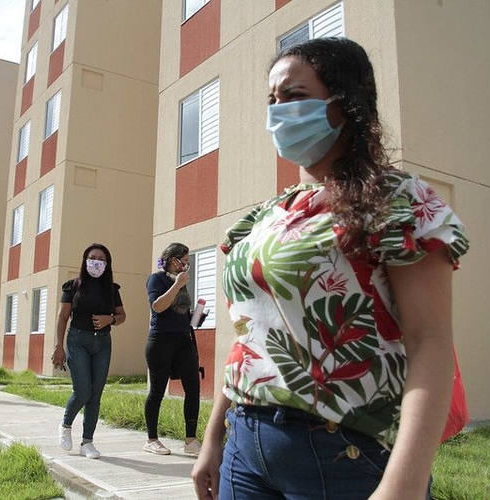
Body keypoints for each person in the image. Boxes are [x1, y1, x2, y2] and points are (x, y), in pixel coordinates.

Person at [192, 37, 470, 499]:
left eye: (295, 97)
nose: (278, 111)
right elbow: (248, 337)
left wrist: (403, 485)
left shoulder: (398, 202)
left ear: (347, 104)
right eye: (272, 100)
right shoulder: (263, 219)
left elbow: (431, 343)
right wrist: (213, 438)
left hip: (342, 455)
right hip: (245, 443)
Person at [51, 243, 126, 459]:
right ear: (85, 260)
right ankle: (66, 425)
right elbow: (62, 317)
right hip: (77, 341)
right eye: (92, 257)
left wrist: (109, 319)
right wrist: (58, 347)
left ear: (107, 264)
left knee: (96, 394)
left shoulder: (112, 289)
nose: (96, 262)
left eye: (101, 259)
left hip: (102, 343)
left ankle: (87, 442)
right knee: (82, 390)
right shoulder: (73, 286)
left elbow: (122, 316)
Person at [143, 243, 202, 456]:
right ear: (170, 259)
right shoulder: (156, 279)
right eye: (181, 261)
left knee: (193, 388)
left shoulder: (181, 282)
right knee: (157, 391)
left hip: (183, 339)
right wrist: (177, 285)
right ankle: (151, 439)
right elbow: (157, 306)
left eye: (187, 262)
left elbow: (180, 313)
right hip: (160, 340)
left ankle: (190, 440)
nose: (185, 266)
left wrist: (196, 316)